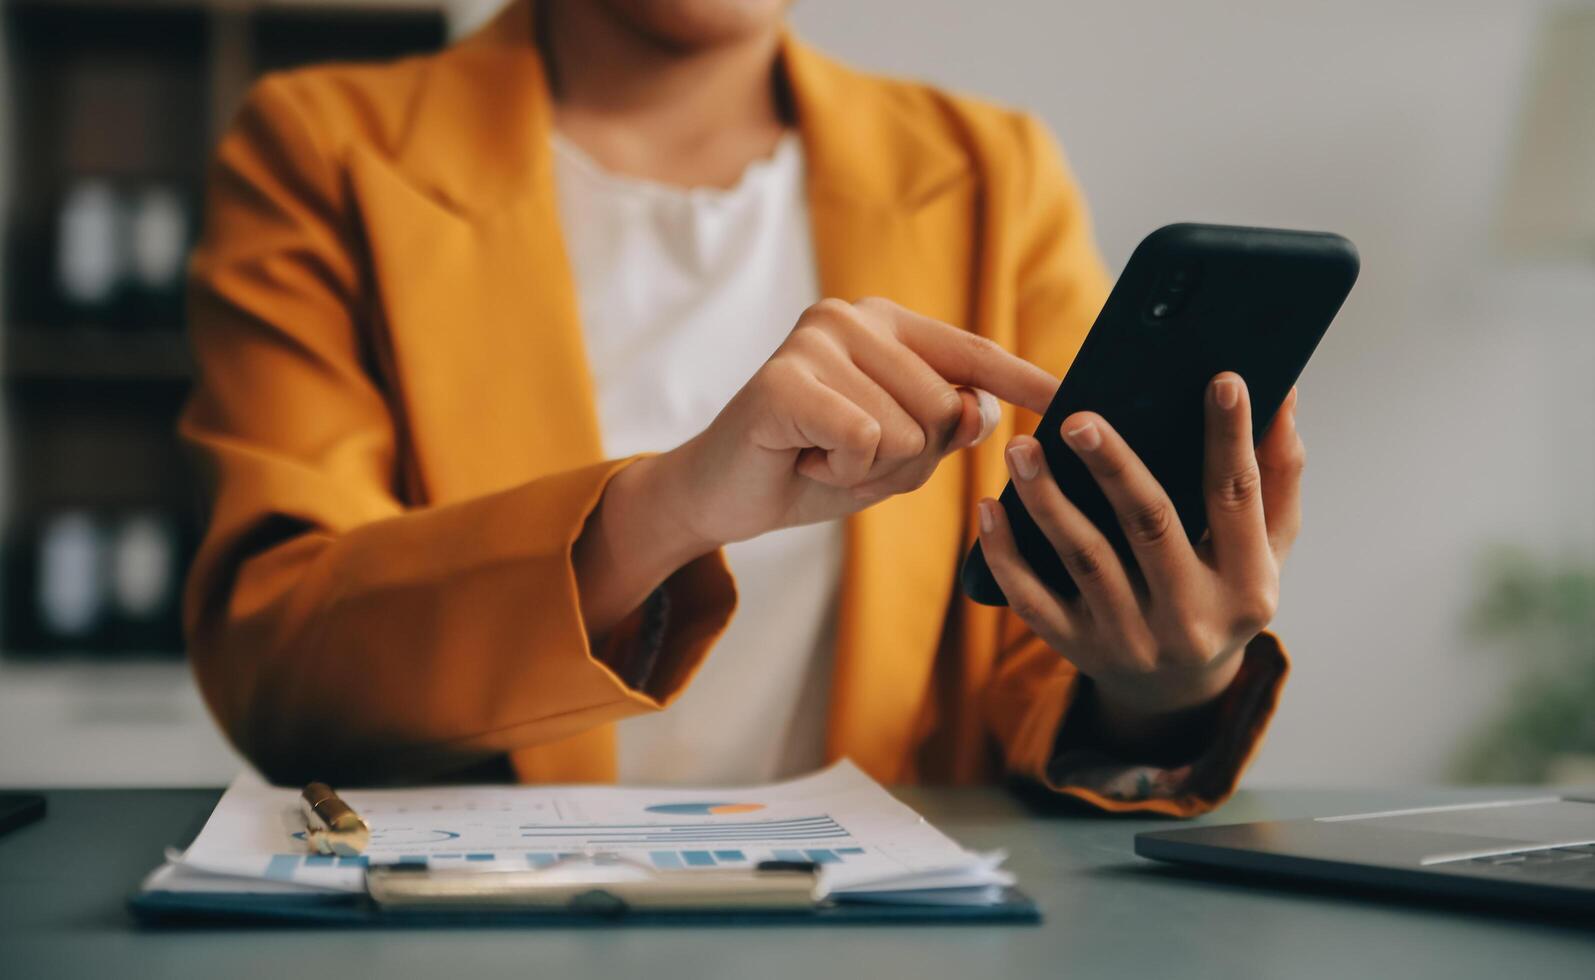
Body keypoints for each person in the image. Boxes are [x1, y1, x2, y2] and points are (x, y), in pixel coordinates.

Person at [181, 0, 1302, 815]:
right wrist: (661, 509)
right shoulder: (322, 149)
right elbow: (282, 668)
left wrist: (1161, 689)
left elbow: (1032, 658)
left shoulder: (989, 172)